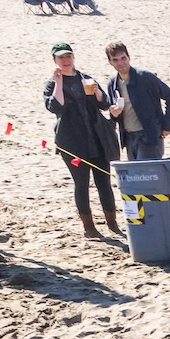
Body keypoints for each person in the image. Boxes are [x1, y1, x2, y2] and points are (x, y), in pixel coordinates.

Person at [43, 42, 120, 239]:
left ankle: (112, 223)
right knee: (81, 183)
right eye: (61, 58)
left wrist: (96, 91)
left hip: (96, 137)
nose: (66, 60)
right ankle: (89, 227)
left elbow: (103, 104)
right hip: (72, 141)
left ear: (74, 57)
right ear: (55, 60)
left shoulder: (86, 78)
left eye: (68, 56)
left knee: (104, 181)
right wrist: (59, 82)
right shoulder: (52, 84)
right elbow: (55, 107)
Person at [101, 43, 170, 162]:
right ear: (110, 62)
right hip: (129, 138)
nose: (120, 63)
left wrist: (167, 126)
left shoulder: (145, 77)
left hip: (149, 136)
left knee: (146, 175)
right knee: (136, 177)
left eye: (123, 58)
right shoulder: (113, 83)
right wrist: (113, 114)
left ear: (129, 57)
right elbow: (115, 112)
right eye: (115, 60)